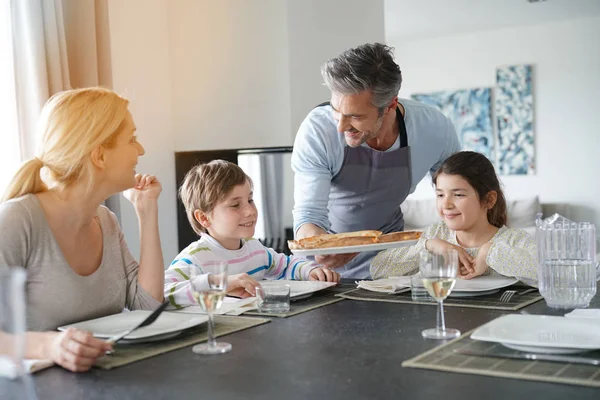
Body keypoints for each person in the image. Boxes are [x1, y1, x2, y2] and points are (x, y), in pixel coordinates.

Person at [0, 87, 165, 372]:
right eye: (132, 139)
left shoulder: (106, 221)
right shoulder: (18, 220)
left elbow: (147, 308)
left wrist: (146, 212)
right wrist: (50, 346)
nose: (141, 150)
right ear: (99, 156)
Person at [291, 42, 461, 279]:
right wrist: (323, 249)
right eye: (335, 110)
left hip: (391, 260)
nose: (340, 126)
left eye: (355, 116)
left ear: (391, 104)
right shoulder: (318, 130)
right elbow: (309, 214)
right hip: (323, 270)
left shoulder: (433, 129)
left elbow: (463, 192)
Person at [165, 160, 339, 308]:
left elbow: (286, 265)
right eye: (235, 205)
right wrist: (220, 283)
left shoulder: (255, 249)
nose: (250, 211)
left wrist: (310, 270)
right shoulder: (195, 258)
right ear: (203, 217)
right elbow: (163, 293)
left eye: (250, 200)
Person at [370, 151, 537, 286]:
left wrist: (490, 252)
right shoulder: (436, 234)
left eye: (458, 195)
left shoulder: (513, 241)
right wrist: (429, 247)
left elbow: (556, 278)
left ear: (489, 200)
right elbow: (377, 269)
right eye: (440, 195)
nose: (446, 204)